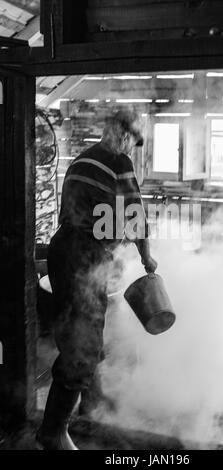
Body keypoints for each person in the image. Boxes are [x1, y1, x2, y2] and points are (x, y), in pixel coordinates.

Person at [36, 109, 158, 451]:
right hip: (82, 256)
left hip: (62, 251)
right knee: (82, 347)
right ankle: (52, 432)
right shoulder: (118, 162)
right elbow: (135, 216)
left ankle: (91, 405)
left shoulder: (81, 159)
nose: (132, 148)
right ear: (122, 133)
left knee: (79, 334)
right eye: (133, 141)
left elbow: (93, 214)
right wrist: (147, 257)